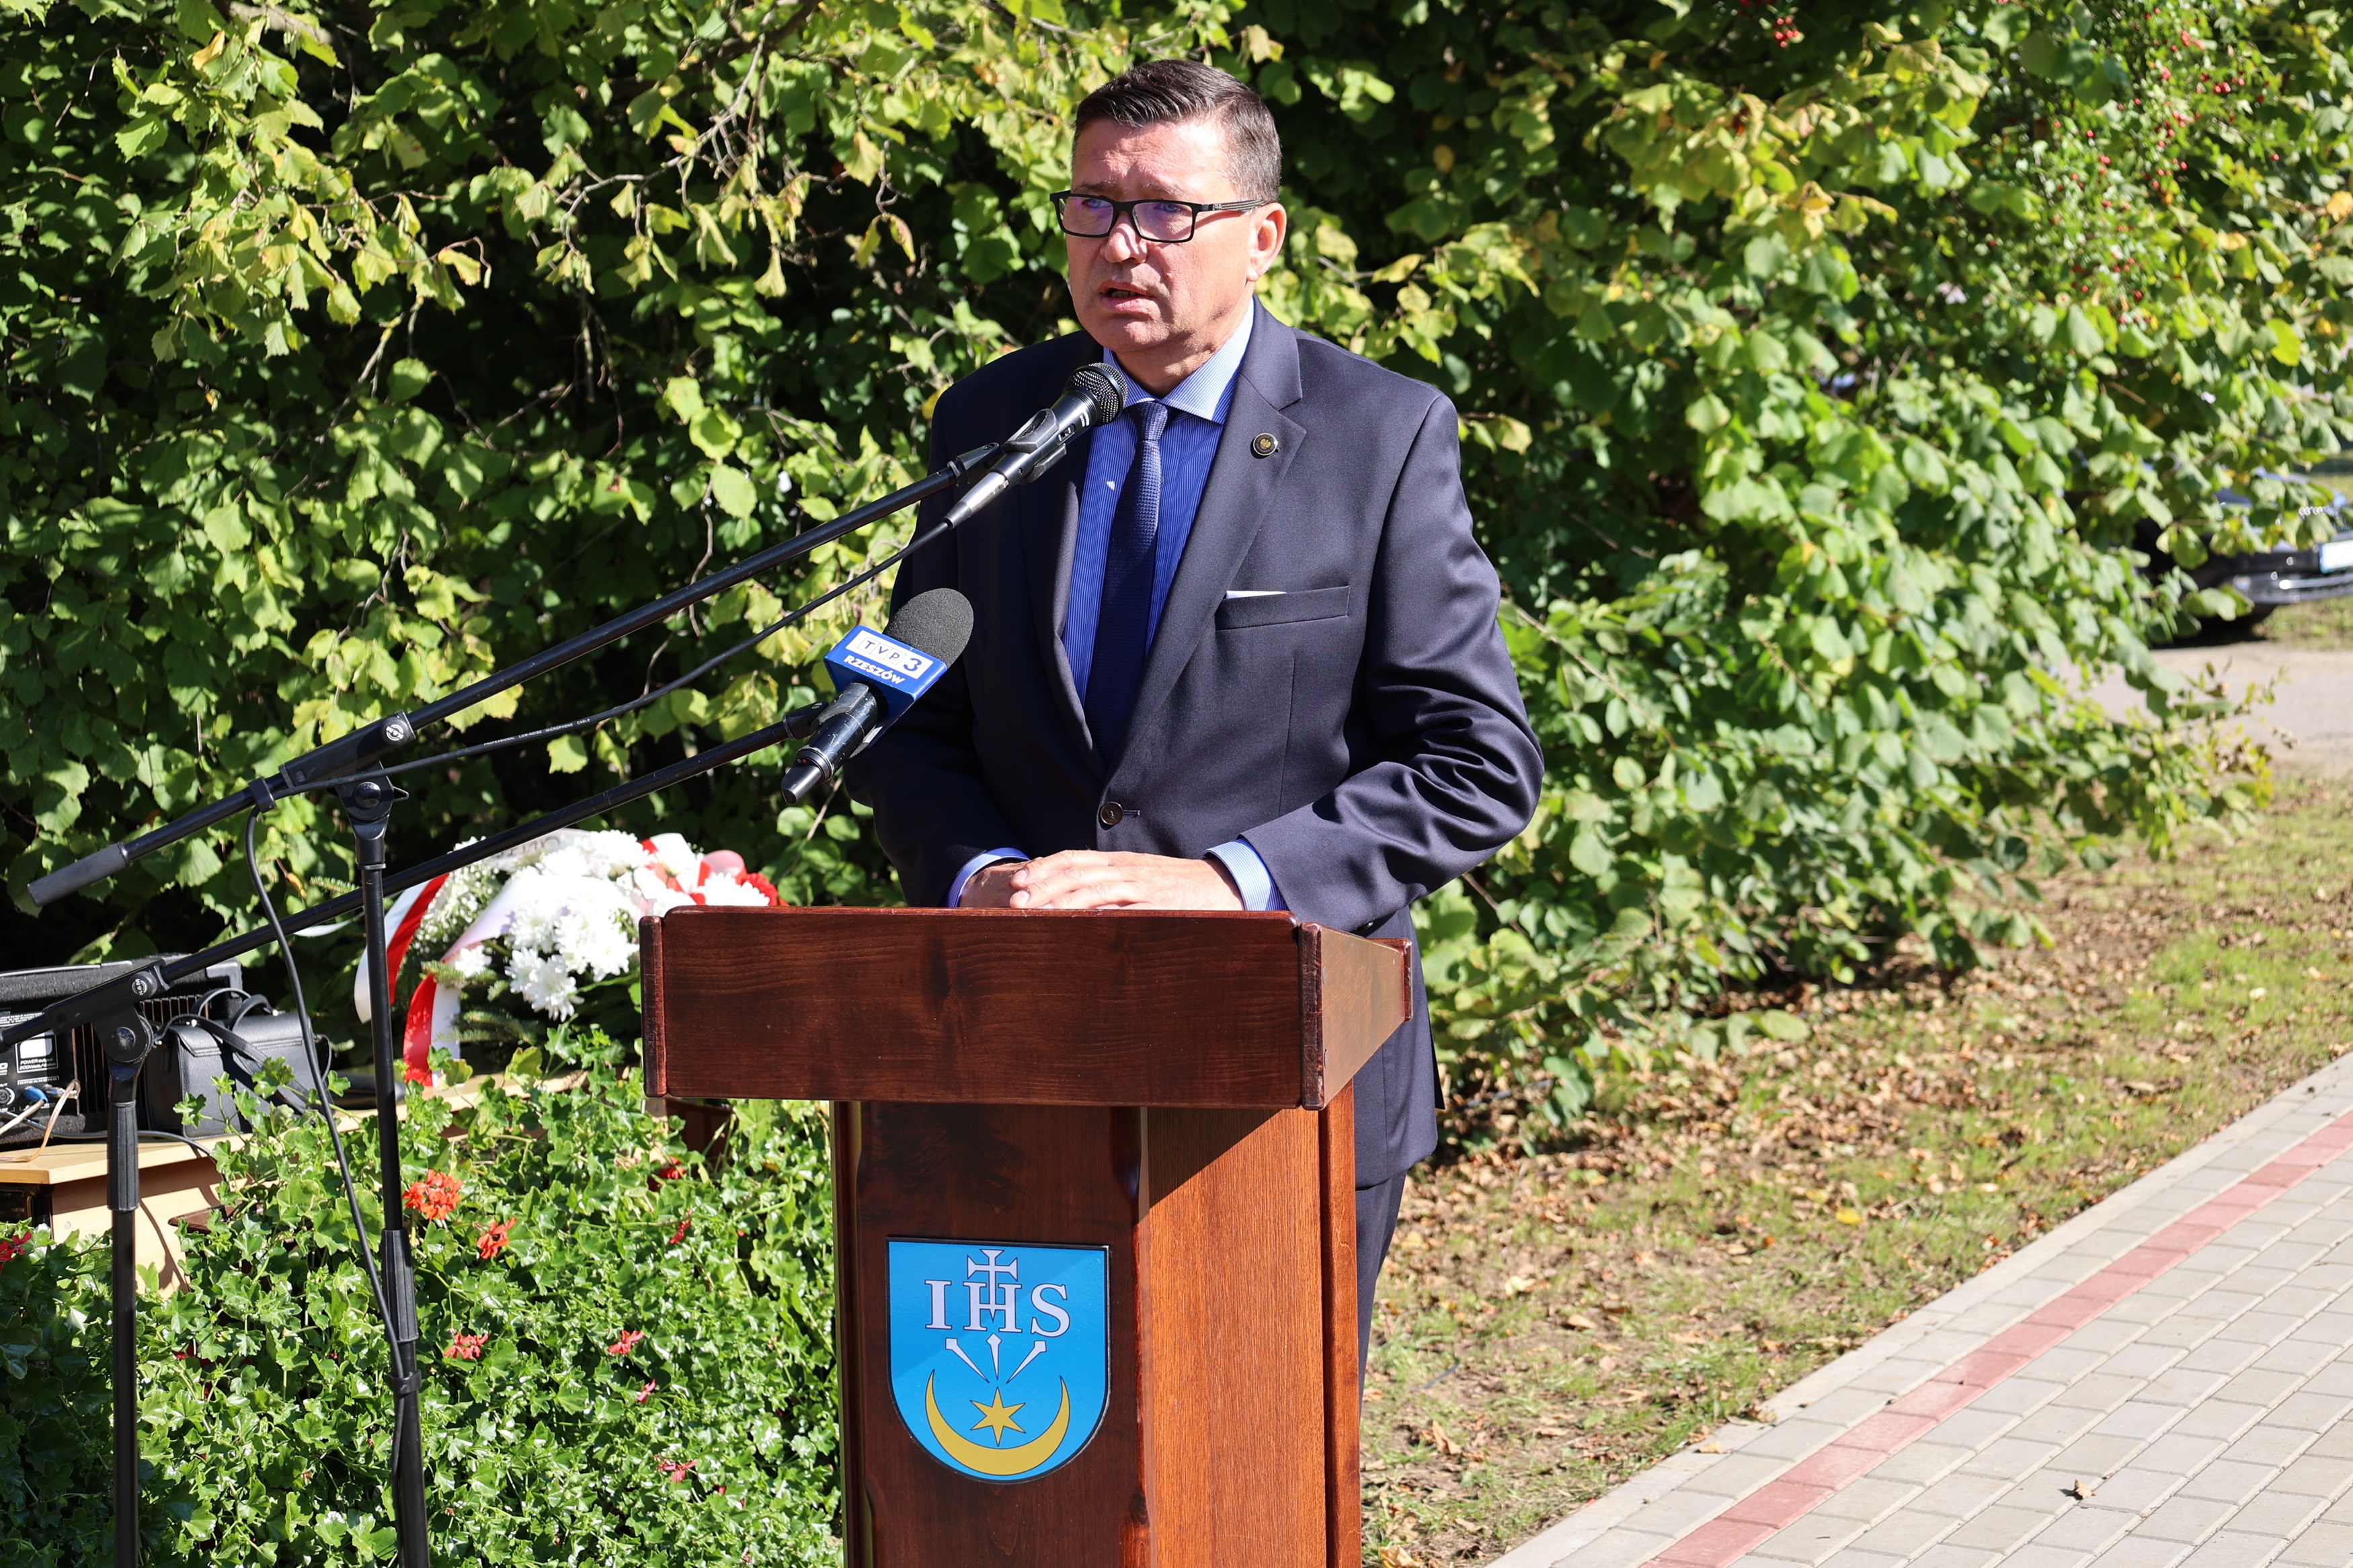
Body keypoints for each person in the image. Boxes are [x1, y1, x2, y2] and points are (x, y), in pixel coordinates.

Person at [846, 58, 1543, 1374]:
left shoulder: (1379, 436)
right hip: (1025, 1055)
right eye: (1092, 205)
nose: (1120, 245)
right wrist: (976, 872)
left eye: (1166, 211)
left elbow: (1477, 764)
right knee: (1037, 1444)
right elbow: (910, 713)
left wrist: (1230, 882)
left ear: (1262, 235)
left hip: (1283, 1072)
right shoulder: (992, 422)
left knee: (1253, 1446)